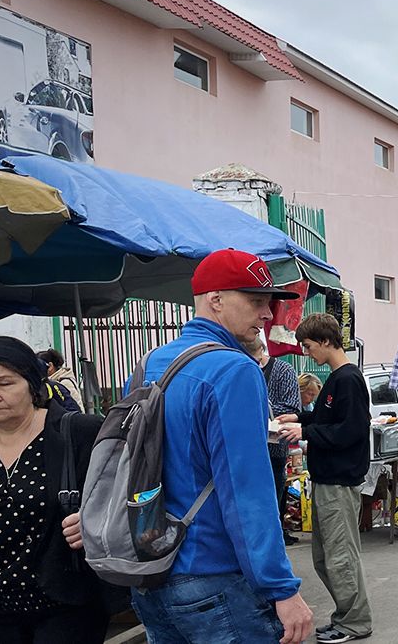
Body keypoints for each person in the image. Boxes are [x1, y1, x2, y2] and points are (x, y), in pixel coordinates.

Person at [130, 249, 312, 644]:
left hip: (151, 569)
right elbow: (246, 490)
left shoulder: (151, 363)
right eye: (257, 301)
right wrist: (281, 587)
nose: (268, 314)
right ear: (215, 300)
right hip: (211, 575)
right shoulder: (235, 369)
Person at [0, 337, 115, 643]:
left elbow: (129, 497)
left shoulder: (79, 433)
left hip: (68, 607)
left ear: (32, 385)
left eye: (5, 383)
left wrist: (97, 522)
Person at [277, 313, 371, 643]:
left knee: (340, 556)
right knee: (324, 558)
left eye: (308, 345)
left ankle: (355, 621)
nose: (306, 352)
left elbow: (351, 430)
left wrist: (305, 430)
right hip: (327, 479)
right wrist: (300, 416)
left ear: (327, 342)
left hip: (339, 481)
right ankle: (346, 615)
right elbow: (327, 416)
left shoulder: (348, 379)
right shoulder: (335, 377)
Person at [245, 337, 302, 546]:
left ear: (261, 353)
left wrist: (257, 410)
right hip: (245, 452)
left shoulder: (283, 371)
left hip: (274, 450)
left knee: (272, 503)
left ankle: (273, 548)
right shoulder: (239, 370)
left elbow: (292, 409)